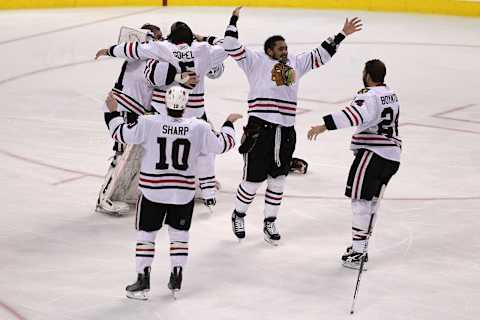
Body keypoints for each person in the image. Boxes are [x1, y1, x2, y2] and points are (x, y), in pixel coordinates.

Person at [222, 7, 362, 245]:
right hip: (259, 130)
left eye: (286, 47)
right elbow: (229, 44)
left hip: (286, 131)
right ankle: (239, 214)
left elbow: (322, 54)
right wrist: (233, 19)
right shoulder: (254, 61)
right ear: (269, 51)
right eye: (280, 48)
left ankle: (270, 222)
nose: (285, 51)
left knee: (278, 180)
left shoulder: (296, 63)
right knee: (253, 180)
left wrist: (342, 34)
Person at [103, 86, 241, 299]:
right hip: (182, 193)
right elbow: (222, 145)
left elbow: (120, 133)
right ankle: (177, 276)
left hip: (152, 192)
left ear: (166, 103)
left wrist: (111, 111)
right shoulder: (199, 127)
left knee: (146, 236)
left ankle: (143, 279)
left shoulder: (149, 123)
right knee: (179, 236)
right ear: (185, 105)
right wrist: (229, 124)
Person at [96, 21, 229, 209]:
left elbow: (209, 69)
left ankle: (192, 184)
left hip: (143, 108)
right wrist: (181, 76)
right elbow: (152, 76)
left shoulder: (159, 52)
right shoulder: (149, 52)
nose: (161, 38)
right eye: (157, 36)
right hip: (126, 104)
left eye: (162, 35)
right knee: (123, 151)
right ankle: (105, 198)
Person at [307, 59, 401, 270]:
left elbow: (354, 114)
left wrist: (324, 126)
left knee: (360, 201)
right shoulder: (392, 94)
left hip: (373, 154)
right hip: (392, 156)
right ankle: (361, 246)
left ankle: (359, 252)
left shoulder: (368, 95)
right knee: (372, 202)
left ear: (368, 75)